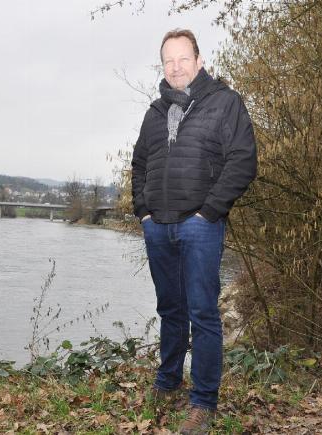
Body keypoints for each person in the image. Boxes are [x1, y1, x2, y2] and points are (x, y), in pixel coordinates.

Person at [131, 28, 257, 433]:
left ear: (199, 61)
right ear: (163, 66)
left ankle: (203, 402)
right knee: (171, 310)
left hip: (200, 227)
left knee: (203, 314)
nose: (176, 66)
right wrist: (143, 212)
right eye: (168, 60)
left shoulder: (224, 102)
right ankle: (167, 382)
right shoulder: (153, 113)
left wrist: (210, 212)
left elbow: (243, 160)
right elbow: (138, 165)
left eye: (183, 58)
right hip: (158, 228)